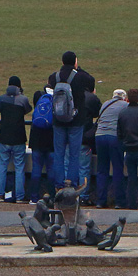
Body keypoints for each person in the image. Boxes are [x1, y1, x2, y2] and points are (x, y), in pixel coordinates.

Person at [47, 51, 95, 188]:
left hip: (58, 119)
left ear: (62, 62)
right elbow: (91, 83)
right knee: (74, 154)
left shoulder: (54, 77)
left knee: (59, 154)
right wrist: (77, 69)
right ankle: (72, 183)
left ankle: (59, 183)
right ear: (75, 61)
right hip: (76, 120)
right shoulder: (80, 77)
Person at [0, 76, 31, 203]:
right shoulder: (23, 99)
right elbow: (28, 109)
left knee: (2, 167)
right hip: (19, 137)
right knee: (19, 168)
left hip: (4, 137)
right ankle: (20, 197)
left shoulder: (1, 99)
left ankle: (0, 195)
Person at [93, 88, 127, 207]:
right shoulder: (125, 105)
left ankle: (100, 201)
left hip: (99, 136)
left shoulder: (105, 104)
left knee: (102, 170)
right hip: (114, 137)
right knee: (117, 169)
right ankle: (119, 201)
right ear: (124, 97)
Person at [28, 84, 54, 203]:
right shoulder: (55, 100)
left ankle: (33, 197)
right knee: (51, 171)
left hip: (36, 139)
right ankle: (52, 197)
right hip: (51, 140)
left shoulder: (38, 96)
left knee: (36, 170)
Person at [79, 83, 102, 203]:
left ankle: (67, 195)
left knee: (67, 165)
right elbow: (98, 112)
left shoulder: (70, 93)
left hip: (68, 136)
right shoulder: (91, 97)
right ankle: (83, 197)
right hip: (84, 136)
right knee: (83, 168)